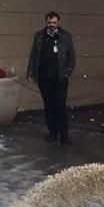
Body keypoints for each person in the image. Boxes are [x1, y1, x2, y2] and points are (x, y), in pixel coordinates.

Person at [27, 11, 76, 146]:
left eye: (54, 23)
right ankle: (52, 133)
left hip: (60, 77)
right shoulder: (39, 36)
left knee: (60, 105)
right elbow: (33, 55)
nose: (52, 25)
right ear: (46, 22)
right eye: (49, 23)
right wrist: (31, 72)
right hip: (44, 77)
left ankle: (64, 134)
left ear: (58, 22)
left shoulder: (65, 37)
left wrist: (67, 72)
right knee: (48, 105)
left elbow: (71, 56)